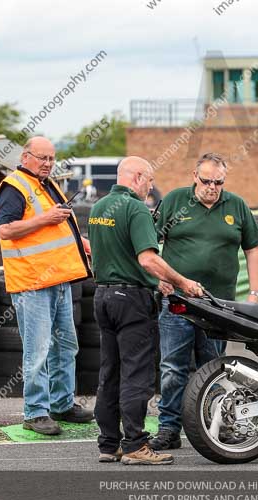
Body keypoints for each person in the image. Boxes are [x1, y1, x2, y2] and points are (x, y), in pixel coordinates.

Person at [89, 156, 204, 465]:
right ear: (137, 177)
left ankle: (108, 443)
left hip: (102, 296)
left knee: (109, 373)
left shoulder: (99, 208)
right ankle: (136, 445)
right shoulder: (136, 208)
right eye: (150, 180)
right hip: (131, 301)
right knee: (136, 374)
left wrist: (158, 282)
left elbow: (109, 253)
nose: (151, 187)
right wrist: (181, 281)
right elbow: (147, 259)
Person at [150, 152, 258, 451]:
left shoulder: (236, 205)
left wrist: (255, 293)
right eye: (206, 181)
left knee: (215, 368)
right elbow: (149, 246)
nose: (212, 187)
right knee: (173, 368)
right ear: (194, 176)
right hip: (178, 301)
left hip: (219, 304)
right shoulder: (175, 201)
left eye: (219, 182)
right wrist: (159, 278)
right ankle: (168, 429)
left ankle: (216, 426)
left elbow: (253, 249)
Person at [0, 136, 94, 436]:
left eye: (51, 159)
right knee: (37, 351)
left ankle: (62, 404)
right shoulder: (15, 186)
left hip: (59, 280)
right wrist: (46, 218)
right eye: (42, 158)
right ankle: (35, 412)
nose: (48, 163)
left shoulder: (46, 184)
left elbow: (58, 233)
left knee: (66, 346)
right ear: (26, 157)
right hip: (32, 283)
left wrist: (85, 245)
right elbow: (6, 229)